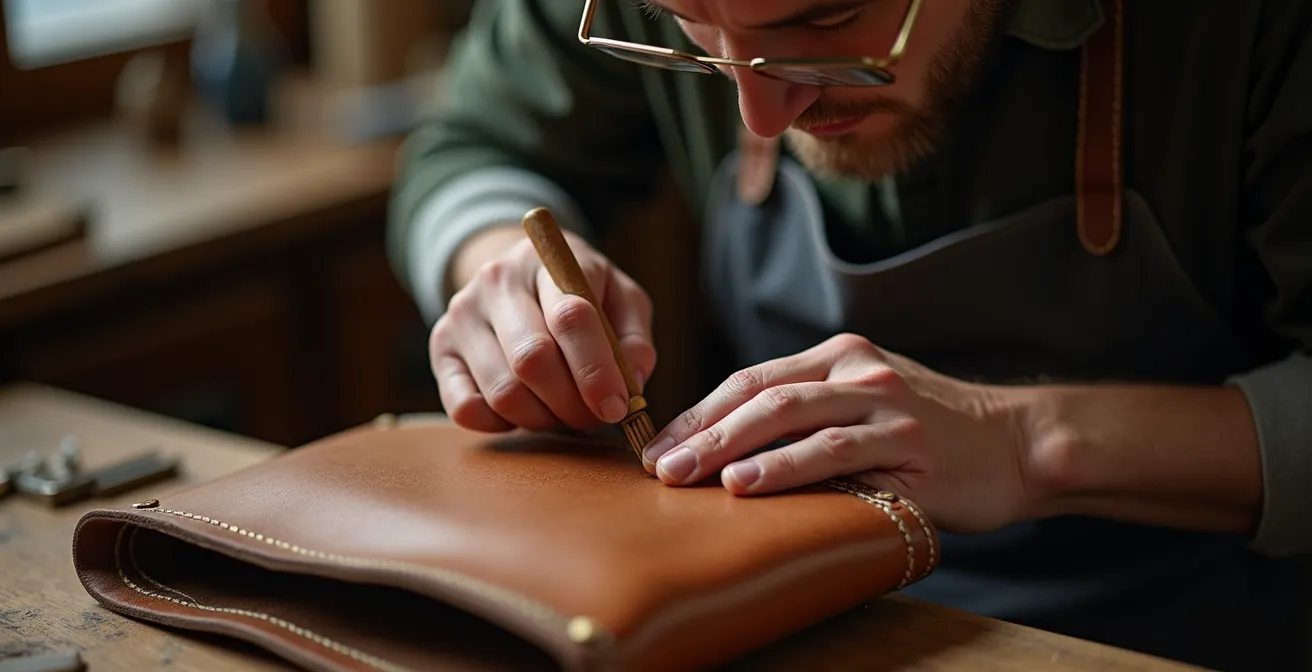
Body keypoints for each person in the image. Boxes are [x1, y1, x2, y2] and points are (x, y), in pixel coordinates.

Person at [388, 0, 1311, 669]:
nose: (759, 113)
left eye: (826, 25)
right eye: (690, 31)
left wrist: (1024, 440)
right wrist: (499, 265)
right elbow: (473, 147)